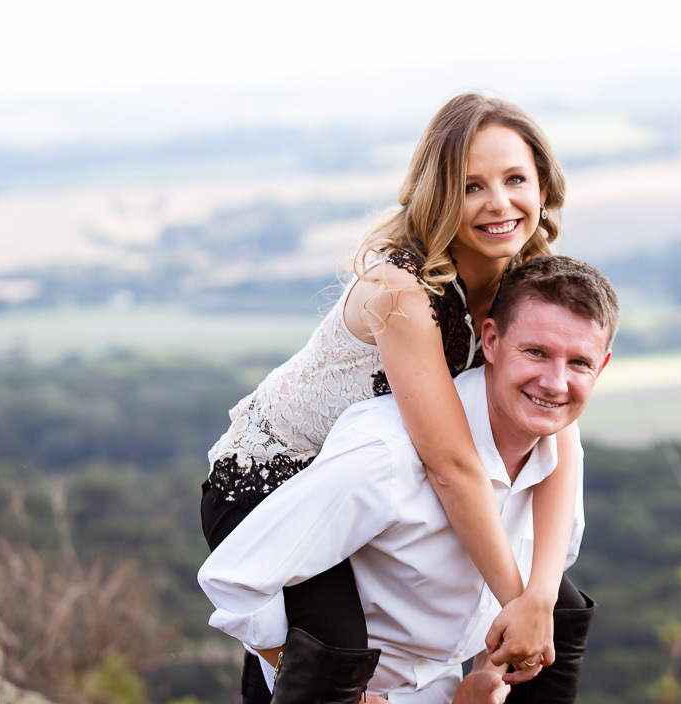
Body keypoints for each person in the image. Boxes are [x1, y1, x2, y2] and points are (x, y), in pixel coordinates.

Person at [199, 93, 583, 701]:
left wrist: (537, 595)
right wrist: (517, 603)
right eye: (471, 186)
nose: (499, 203)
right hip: (272, 484)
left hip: (369, 481)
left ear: (544, 186)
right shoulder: (401, 292)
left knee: (565, 610)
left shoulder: (526, 278)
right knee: (333, 659)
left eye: (515, 179)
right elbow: (451, 465)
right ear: (438, 194)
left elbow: (556, 426)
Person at [199, 255, 618, 703]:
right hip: (328, 691)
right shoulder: (386, 454)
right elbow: (235, 579)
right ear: (491, 341)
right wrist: (348, 697)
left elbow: (524, 593)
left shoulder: (556, 460)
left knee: (564, 609)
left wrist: (485, 673)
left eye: (578, 363)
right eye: (536, 352)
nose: (555, 383)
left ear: (603, 366)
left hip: (437, 690)